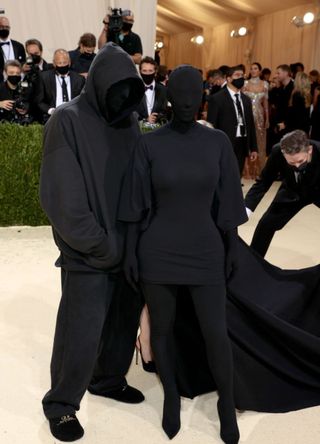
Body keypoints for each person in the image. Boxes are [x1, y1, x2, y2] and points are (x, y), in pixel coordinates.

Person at [119, 65, 248, 443]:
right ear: (169, 98)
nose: (189, 101)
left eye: (196, 94)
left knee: (215, 332)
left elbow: (228, 199)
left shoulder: (218, 143)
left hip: (206, 249)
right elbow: (136, 204)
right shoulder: (149, 144)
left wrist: (231, 244)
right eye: (181, 95)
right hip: (157, 251)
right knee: (162, 330)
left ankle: (227, 403)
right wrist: (130, 252)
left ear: (204, 97)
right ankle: (171, 397)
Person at [39, 43, 145, 442]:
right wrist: (100, 245)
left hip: (128, 248)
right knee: (79, 332)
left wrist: (135, 242)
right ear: (97, 82)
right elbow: (62, 199)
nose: (122, 97)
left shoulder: (128, 121)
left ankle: (108, 379)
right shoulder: (65, 121)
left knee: (122, 323)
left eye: (128, 89)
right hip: (87, 254)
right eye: (115, 87)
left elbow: (137, 183)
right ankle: (62, 404)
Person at [245, 130, 320, 257]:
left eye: (301, 161)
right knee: (265, 225)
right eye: (291, 163)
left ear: (309, 150)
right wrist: (246, 208)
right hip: (292, 191)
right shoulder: (277, 152)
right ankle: (254, 263)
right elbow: (263, 182)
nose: (297, 166)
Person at [207, 65, 258, 176]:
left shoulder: (246, 100)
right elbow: (211, 125)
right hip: (224, 143)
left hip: (242, 142)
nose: (241, 78)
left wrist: (253, 147)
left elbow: (250, 125)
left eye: (242, 75)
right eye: (237, 75)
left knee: (237, 175)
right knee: (223, 175)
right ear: (228, 78)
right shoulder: (217, 99)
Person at [35, 49, 85, 123]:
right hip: (51, 118)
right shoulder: (44, 77)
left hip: (74, 118)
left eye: (65, 62)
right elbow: (39, 101)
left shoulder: (79, 79)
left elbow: (83, 100)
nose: (62, 65)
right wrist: (51, 111)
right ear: (54, 64)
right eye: (59, 63)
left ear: (69, 63)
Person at [243, 62, 269, 177]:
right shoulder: (245, 83)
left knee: (260, 142)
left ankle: (259, 170)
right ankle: (247, 171)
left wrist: (267, 118)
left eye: (255, 68)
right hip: (247, 115)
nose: (253, 70)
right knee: (248, 140)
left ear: (259, 71)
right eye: (251, 68)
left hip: (259, 116)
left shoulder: (265, 84)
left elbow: (266, 103)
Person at [135, 56, 167, 124]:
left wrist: (157, 117)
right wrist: (145, 120)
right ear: (140, 72)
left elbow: (165, 111)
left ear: (155, 72)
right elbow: (132, 113)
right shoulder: (134, 89)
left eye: (150, 71)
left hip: (158, 130)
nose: (147, 74)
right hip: (139, 131)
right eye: (144, 71)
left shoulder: (163, 90)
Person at [0, 59, 32, 124]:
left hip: (23, 125)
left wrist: (26, 108)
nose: (15, 75)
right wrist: (0, 104)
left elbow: (34, 103)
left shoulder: (26, 88)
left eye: (17, 73)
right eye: (11, 73)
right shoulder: (0, 87)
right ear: (5, 73)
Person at [0, 16, 25, 82]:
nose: (4, 29)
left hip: (18, 81)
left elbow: (23, 63)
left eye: (7, 27)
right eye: (2, 27)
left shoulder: (19, 46)